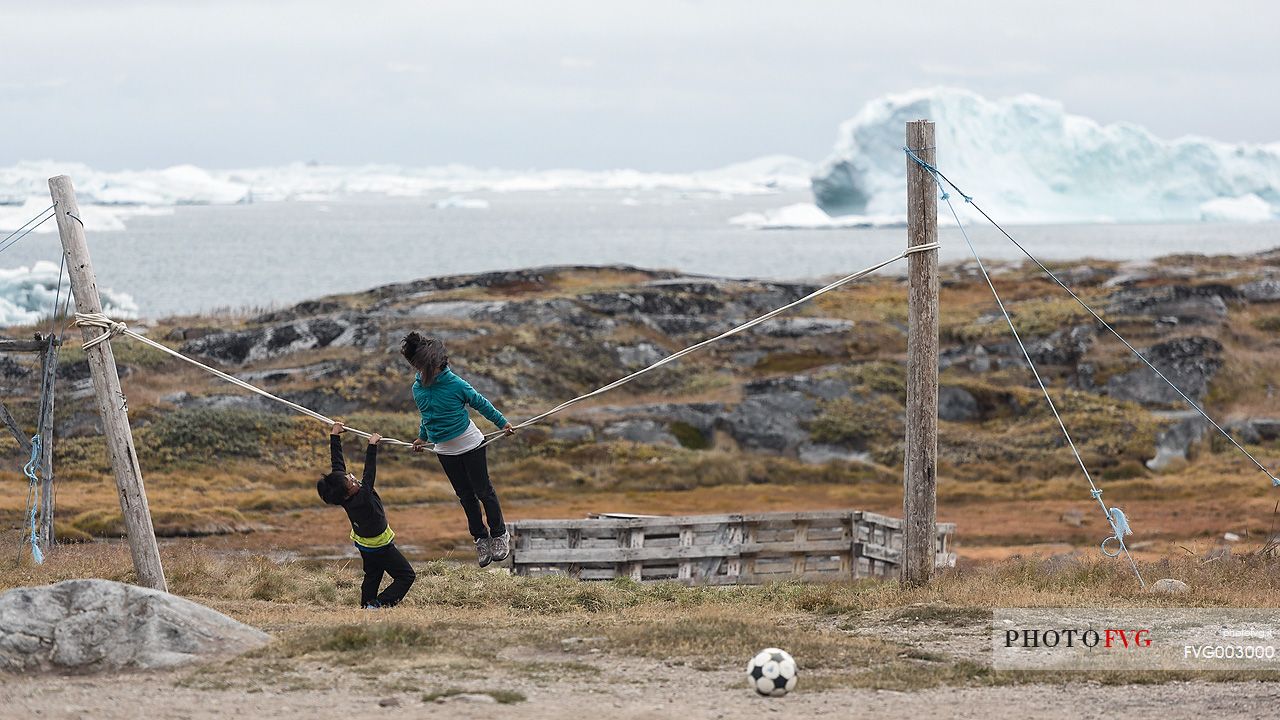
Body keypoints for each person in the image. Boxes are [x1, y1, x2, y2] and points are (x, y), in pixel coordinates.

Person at [401, 331, 515, 568]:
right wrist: (422, 438)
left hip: (471, 444)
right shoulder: (417, 389)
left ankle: (500, 534)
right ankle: (480, 538)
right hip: (444, 450)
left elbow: (481, 403)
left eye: (426, 368)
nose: (423, 372)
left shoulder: (455, 384)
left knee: (484, 492)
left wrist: (502, 423)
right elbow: (427, 416)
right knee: (465, 497)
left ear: (436, 366)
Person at [316, 422, 415, 608]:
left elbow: (337, 464)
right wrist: (372, 446)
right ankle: (379, 604)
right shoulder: (363, 497)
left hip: (364, 544)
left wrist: (335, 435)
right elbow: (369, 472)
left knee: (373, 574)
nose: (354, 478)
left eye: (349, 477)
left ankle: (366, 606)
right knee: (406, 576)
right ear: (347, 493)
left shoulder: (344, 496)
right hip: (380, 545)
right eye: (351, 482)